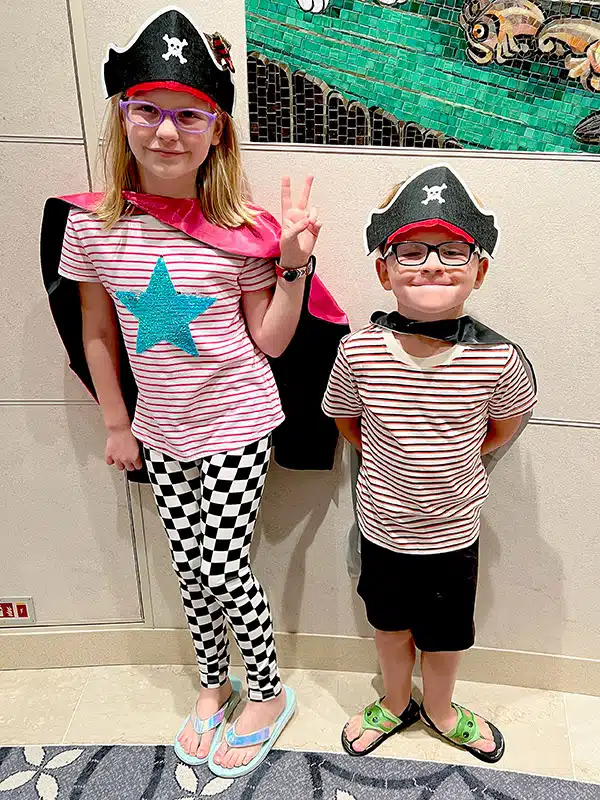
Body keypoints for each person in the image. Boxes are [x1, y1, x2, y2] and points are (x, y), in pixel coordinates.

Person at [43, 7, 323, 779]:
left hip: (236, 418)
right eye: (149, 110)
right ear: (122, 117)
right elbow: (95, 333)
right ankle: (213, 682)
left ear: (218, 129)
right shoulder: (95, 227)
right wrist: (116, 422)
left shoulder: (243, 229)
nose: (168, 132)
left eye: (190, 115)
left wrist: (292, 264)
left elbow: (268, 342)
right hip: (161, 429)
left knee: (228, 561)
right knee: (188, 560)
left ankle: (266, 694)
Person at [322, 164, 537, 764]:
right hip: (382, 531)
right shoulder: (359, 349)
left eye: (451, 251)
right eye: (410, 251)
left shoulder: (498, 358)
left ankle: (441, 708)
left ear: (480, 269)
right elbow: (349, 425)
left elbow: (504, 425)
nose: (432, 264)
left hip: (453, 536)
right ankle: (394, 703)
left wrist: (460, 458)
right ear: (383, 269)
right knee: (389, 628)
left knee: (445, 637)